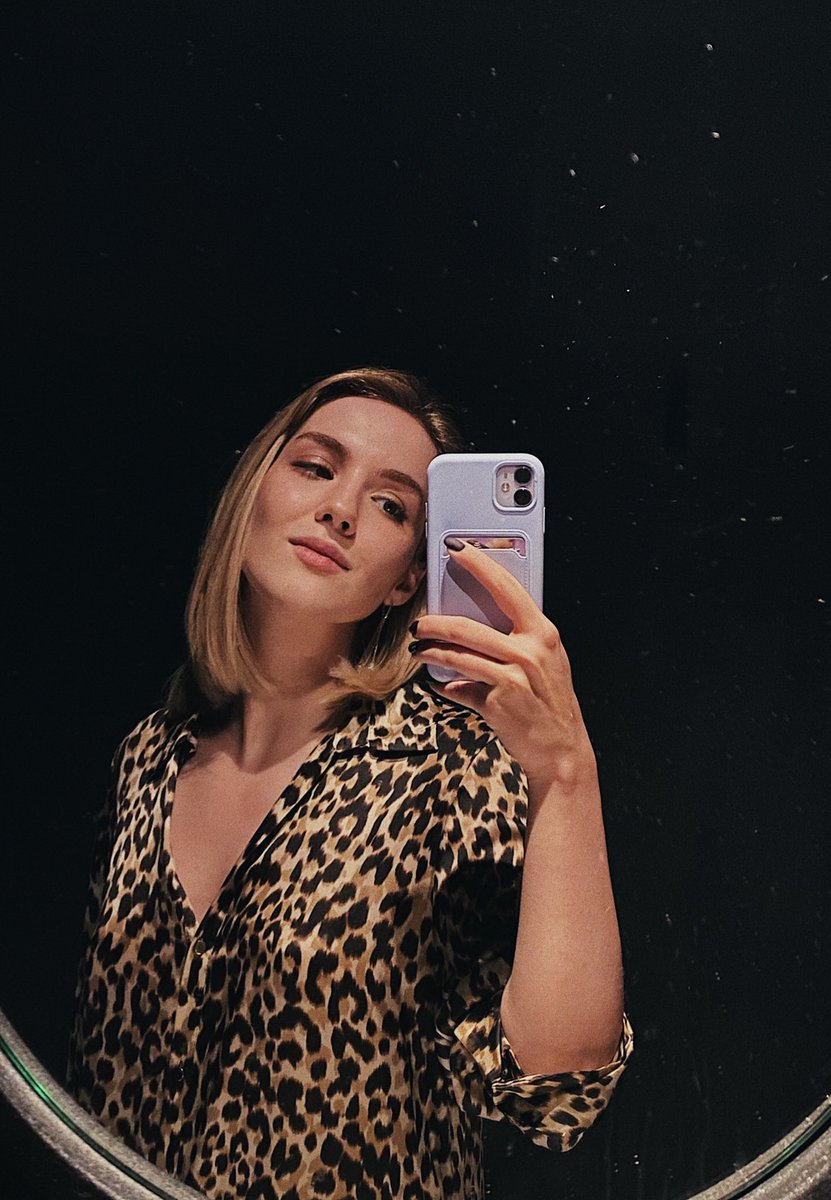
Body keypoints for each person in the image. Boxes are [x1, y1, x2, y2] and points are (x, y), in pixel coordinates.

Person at [66, 367, 633, 1200]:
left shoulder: (448, 764)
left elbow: (555, 1088)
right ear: (252, 493)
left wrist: (567, 772)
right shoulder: (147, 758)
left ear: (407, 578)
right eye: (315, 467)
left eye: (392, 506)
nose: (340, 510)